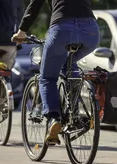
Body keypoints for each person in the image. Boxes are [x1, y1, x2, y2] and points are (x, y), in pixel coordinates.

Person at [11, 0, 100, 145]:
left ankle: (54, 118)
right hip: (91, 32)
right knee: (69, 63)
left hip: (61, 29)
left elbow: (34, 6)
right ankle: (75, 112)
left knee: (47, 78)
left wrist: (21, 32)